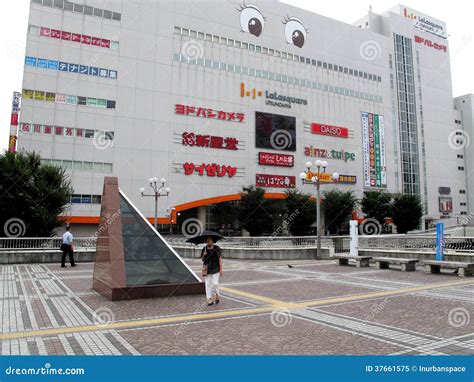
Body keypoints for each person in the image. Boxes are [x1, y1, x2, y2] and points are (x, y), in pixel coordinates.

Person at [201, 237, 223, 306]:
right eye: (207, 240)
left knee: (215, 283)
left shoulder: (217, 248)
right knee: (208, 284)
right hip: (207, 269)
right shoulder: (204, 248)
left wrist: (221, 269)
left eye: (209, 240)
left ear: (212, 241)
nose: (208, 242)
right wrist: (204, 255)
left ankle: (217, 295)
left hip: (216, 268)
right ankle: (209, 299)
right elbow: (202, 259)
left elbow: (220, 259)